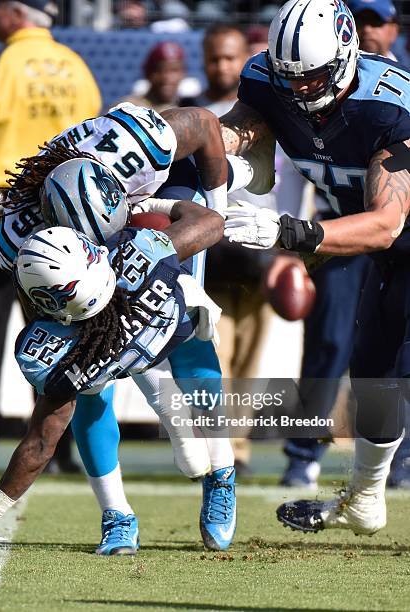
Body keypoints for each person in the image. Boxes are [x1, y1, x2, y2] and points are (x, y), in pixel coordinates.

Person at [0, 102, 260, 553]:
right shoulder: (19, 241)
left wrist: (213, 210)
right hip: (73, 266)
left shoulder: (136, 146)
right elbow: (50, 332)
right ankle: (116, 513)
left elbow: (203, 123)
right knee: (84, 375)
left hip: (148, 207)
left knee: (190, 330)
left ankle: (222, 471)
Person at [0, 195, 228, 550]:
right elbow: (209, 221)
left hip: (171, 328)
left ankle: (222, 471)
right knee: (112, 410)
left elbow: (39, 445)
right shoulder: (138, 258)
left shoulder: (69, 342)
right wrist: (153, 204)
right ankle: (118, 514)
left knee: (192, 446)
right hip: (139, 329)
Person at [220, 0, 410, 536]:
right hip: (384, 253)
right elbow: (233, 131)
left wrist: (290, 234)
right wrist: (165, 150)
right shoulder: (266, 81)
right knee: (372, 374)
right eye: (290, 80)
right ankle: (366, 496)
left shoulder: (388, 107)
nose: (301, 91)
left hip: (387, 233)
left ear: (348, 56)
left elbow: (385, 223)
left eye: (314, 78)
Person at [0, 0, 101, 474]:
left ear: (16, 13)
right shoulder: (78, 68)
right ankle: (62, 448)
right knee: (66, 329)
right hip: (65, 217)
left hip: (1, 214)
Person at [277, 0, 400, 489]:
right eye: (363, 18)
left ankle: (397, 460)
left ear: (392, 28)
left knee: (393, 355)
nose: (370, 30)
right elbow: (291, 166)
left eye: (377, 20)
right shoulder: (296, 84)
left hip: (390, 236)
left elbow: (389, 217)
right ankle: (302, 452)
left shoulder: (395, 95)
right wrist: (286, 234)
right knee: (329, 343)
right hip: (334, 230)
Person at [181, 24, 278, 477]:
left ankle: (236, 449)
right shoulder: (192, 114)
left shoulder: (271, 109)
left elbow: (289, 182)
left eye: (230, 58)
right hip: (211, 251)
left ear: (245, 58)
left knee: (250, 359)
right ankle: (214, 445)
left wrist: (288, 249)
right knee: (213, 350)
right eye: (215, 58)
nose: (222, 66)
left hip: (260, 247)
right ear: (203, 59)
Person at [118, 41, 186, 114]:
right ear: (147, 72)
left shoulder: (190, 110)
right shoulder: (128, 109)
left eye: (174, 70)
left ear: (183, 73)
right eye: (159, 70)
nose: (166, 77)